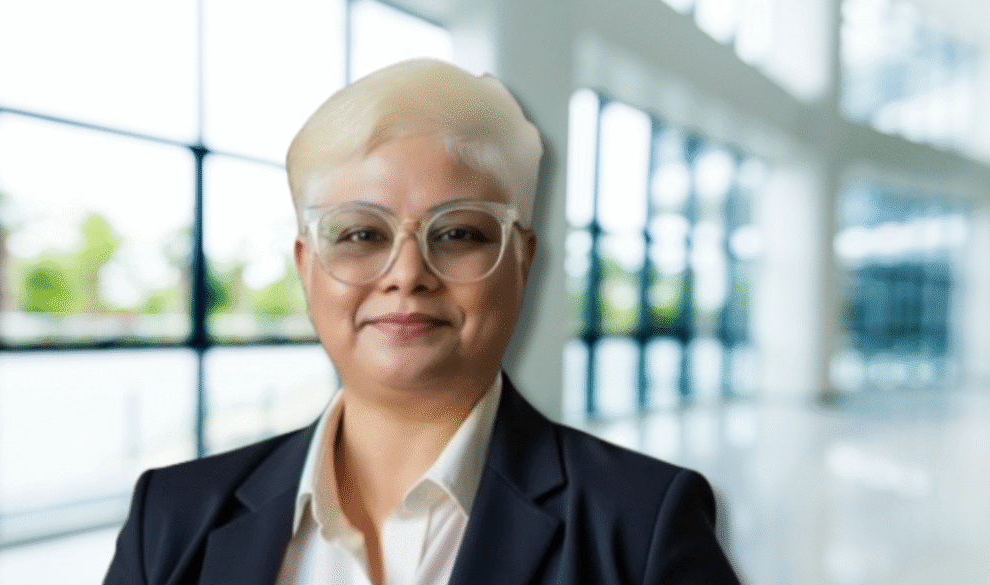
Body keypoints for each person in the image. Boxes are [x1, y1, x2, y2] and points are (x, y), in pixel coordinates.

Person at [103, 58, 740, 585]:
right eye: (361, 234)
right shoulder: (170, 518)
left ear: (522, 261)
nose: (408, 274)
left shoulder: (644, 526)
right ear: (307, 266)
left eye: (458, 232)